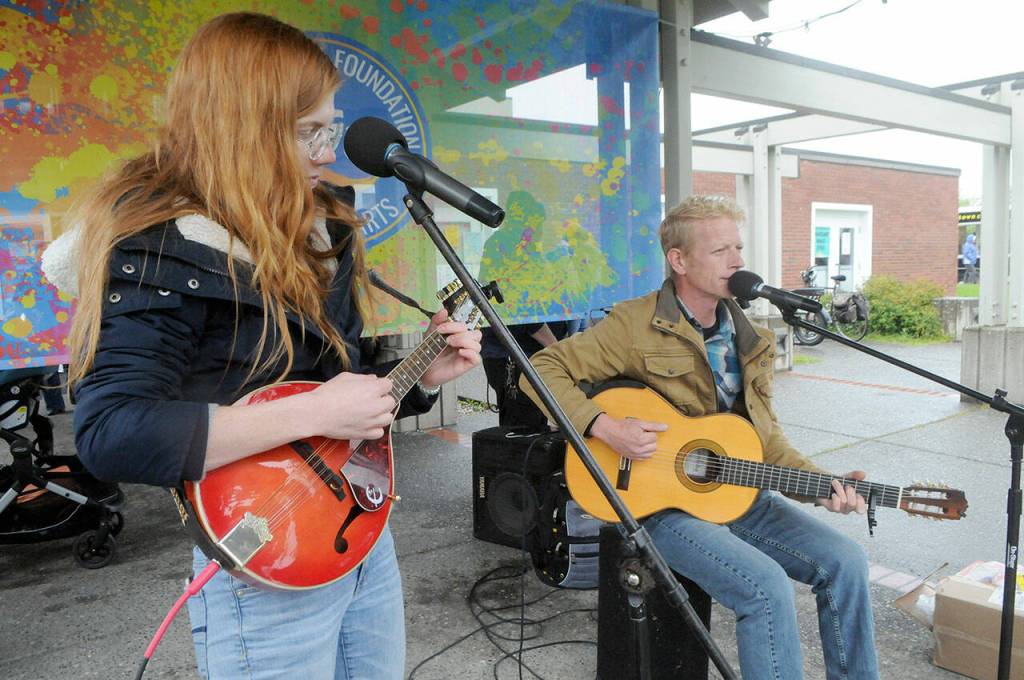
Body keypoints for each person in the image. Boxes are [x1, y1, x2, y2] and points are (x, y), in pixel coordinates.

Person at [41, 12, 481, 679]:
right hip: (264, 556)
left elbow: (335, 385)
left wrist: (419, 377)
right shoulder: (162, 246)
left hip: (356, 534)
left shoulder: (322, 231)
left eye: (331, 128)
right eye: (310, 132)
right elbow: (111, 432)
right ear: (241, 127)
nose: (328, 150)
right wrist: (314, 415)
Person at [520, 195, 878, 679]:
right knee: (766, 587)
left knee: (847, 562)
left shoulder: (751, 338)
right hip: (658, 506)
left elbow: (765, 444)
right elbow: (541, 368)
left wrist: (823, 486)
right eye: (720, 251)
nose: (738, 261)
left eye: (739, 247)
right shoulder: (634, 323)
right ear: (680, 261)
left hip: (737, 494)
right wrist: (605, 427)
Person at [479, 320, 579, 431]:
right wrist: (557, 350)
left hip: (520, 354)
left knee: (525, 425)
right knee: (523, 427)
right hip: (518, 356)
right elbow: (525, 318)